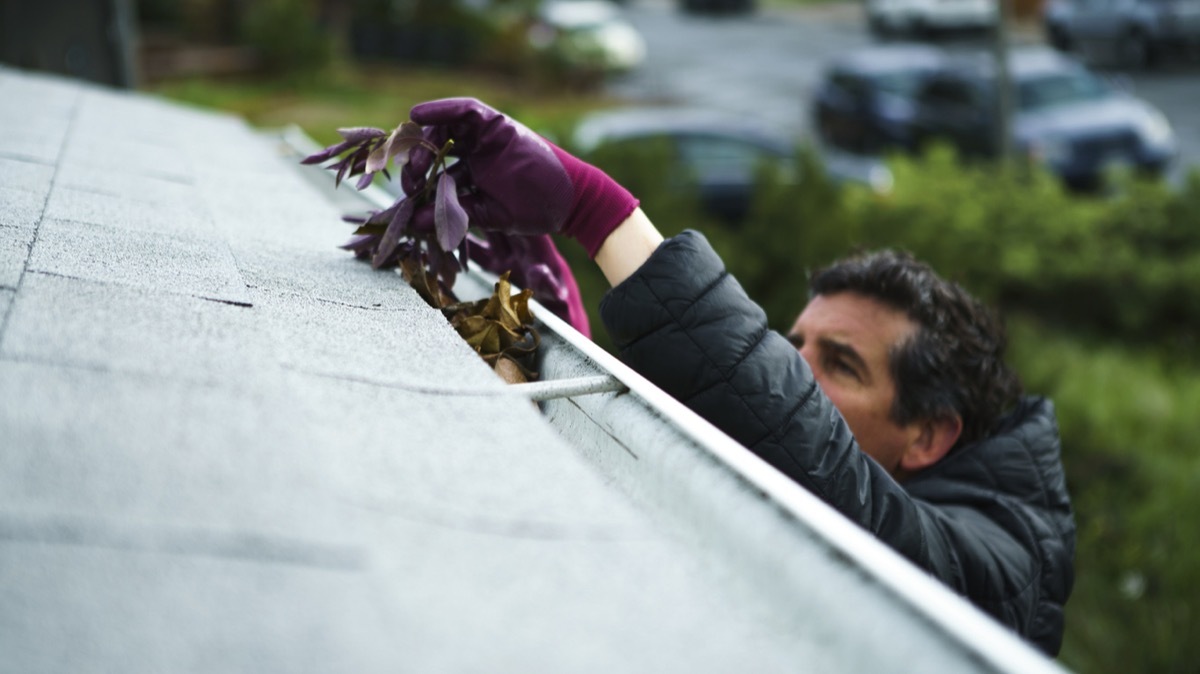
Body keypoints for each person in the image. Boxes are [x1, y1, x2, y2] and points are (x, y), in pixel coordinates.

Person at [402, 98, 1076, 656]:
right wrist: (563, 348)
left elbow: (823, 470)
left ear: (927, 436)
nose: (796, 373)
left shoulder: (1002, 569)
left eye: (840, 364)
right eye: (793, 345)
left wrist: (598, 213)